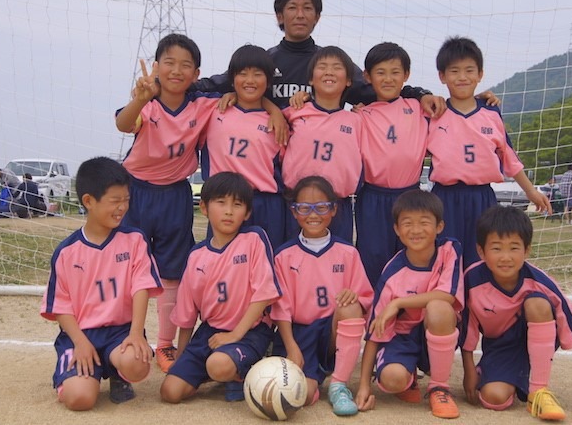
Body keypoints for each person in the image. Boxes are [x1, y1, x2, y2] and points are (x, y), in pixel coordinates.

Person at [115, 33, 219, 375]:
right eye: (169, 63)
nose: (176, 70)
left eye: (185, 65)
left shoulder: (204, 104)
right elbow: (124, 124)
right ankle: (127, 337)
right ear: (156, 66)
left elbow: (235, 90)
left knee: (172, 272)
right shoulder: (146, 101)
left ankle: (164, 344)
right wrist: (139, 99)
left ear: (196, 73)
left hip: (175, 194)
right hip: (135, 192)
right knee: (128, 269)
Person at [195, 0, 437, 112]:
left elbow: (384, 89)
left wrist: (420, 94)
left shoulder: (332, 66)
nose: (300, 15)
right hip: (272, 165)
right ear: (279, 16)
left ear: (317, 17)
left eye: (307, 8)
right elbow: (213, 85)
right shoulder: (263, 63)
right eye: (292, 8)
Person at [40, 157, 163, 410]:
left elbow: (141, 287)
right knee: (80, 399)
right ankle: (79, 376)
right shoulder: (67, 252)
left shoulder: (134, 240)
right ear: (89, 201)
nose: (122, 207)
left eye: (126, 199)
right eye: (115, 201)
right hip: (81, 334)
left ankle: (119, 373)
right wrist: (80, 342)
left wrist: (135, 333)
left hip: (120, 332)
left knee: (137, 363)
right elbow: (60, 306)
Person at [461, 206, 572, 421]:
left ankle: (539, 392)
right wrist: (469, 370)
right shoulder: (472, 280)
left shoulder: (539, 281)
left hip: (537, 336)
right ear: (481, 251)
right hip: (500, 348)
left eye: (514, 248)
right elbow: (467, 329)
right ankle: (491, 373)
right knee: (494, 398)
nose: (505, 257)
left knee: (537, 303)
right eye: (496, 248)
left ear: (526, 251)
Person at [426, 36, 550, 268]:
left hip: (482, 198)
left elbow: (509, 158)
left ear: (480, 74)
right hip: (444, 199)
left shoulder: (491, 114)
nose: (462, 77)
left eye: (469, 70)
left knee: (482, 260)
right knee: (445, 261)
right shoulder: (433, 114)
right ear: (442, 76)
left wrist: (531, 191)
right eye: (454, 71)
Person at [160, 172, 282, 404]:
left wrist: (235, 335)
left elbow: (264, 294)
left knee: (218, 364)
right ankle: (219, 370)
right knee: (171, 392)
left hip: (250, 331)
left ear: (247, 213)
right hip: (211, 332)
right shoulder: (197, 255)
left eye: (237, 205)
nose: (228, 211)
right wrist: (181, 357)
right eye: (221, 202)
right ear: (204, 208)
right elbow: (187, 314)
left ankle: (243, 369)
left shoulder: (253, 239)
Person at [355, 190, 463, 419]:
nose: (415, 230)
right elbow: (374, 332)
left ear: (439, 226)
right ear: (396, 229)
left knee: (438, 307)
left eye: (424, 222)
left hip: (434, 331)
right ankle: (407, 375)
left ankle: (439, 388)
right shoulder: (392, 272)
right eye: (407, 223)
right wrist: (364, 386)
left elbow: (447, 296)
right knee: (392, 379)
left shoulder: (449, 250)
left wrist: (399, 303)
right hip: (401, 339)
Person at [271, 176, 373, 416]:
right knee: (302, 396)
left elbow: (365, 298)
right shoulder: (284, 256)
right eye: (304, 208)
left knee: (350, 306)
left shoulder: (348, 253)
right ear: (294, 211)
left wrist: (354, 295)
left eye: (321, 207)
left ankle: (339, 384)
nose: (313, 214)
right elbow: (281, 310)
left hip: (331, 333)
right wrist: (291, 347)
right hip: (299, 335)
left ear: (334, 209)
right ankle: (315, 383)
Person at [354, 42, 437, 286]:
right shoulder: (361, 115)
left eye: (395, 72)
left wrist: (480, 99)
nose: (388, 79)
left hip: (410, 195)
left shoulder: (419, 107)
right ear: (367, 76)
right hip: (373, 198)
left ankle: (412, 306)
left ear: (406, 75)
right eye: (380, 72)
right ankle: (374, 307)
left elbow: (457, 109)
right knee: (373, 257)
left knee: (413, 255)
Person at [200, 44, 288, 249]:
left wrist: (274, 109)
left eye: (257, 74)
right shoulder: (213, 109)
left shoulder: (280, 121)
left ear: (268, 81)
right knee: (222, 261)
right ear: (232, 79)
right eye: (242, 74)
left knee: (267, 263)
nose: (250, 80)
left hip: (265, 205)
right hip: (224, 201)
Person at [281, 46, 362, 243]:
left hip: (338, 207)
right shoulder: (293, 113)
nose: (329, 72)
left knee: (337, 259)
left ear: (349, 80)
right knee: (292, 258)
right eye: (322, 66)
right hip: (297, 204)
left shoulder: (358, 120)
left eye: (337, 67)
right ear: (311, 79)